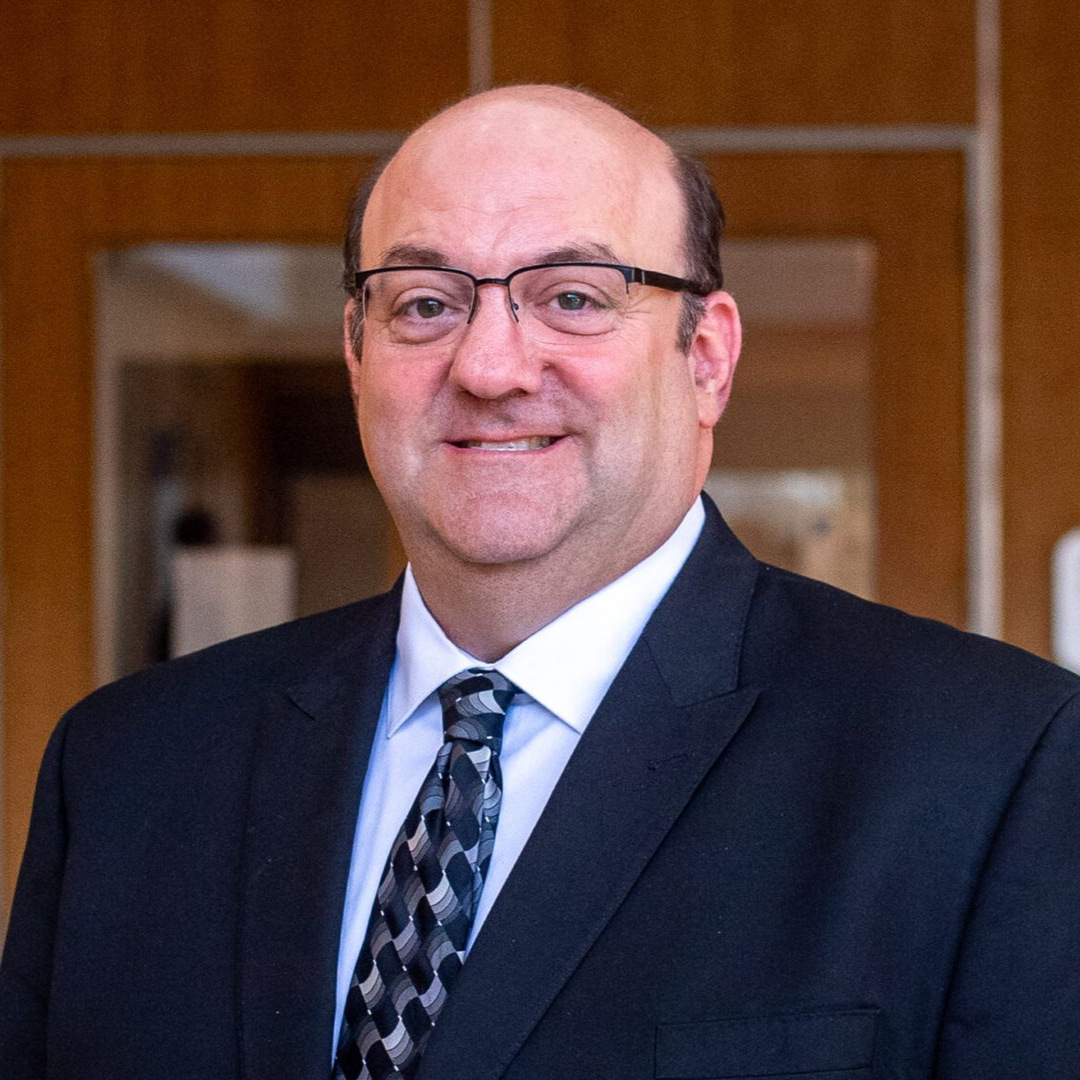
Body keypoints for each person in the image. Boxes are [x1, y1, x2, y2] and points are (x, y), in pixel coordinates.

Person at [1, 84, 1078, 1080]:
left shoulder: (991, 771)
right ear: (356, 351)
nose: (490, 367)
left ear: (706, 358)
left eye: (572, 296)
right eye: (424, 303)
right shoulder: (126, 771)